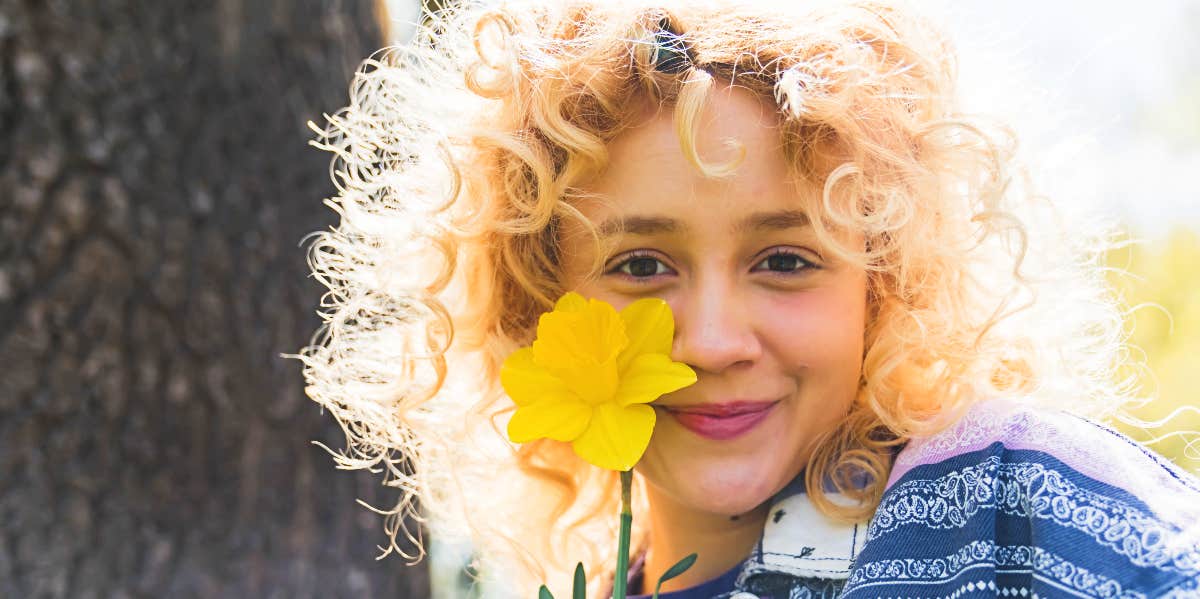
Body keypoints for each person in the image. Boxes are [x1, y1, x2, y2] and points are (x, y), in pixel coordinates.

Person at [297, 0, 1200, 597]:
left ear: (881, 285)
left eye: (786, 259)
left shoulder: (1019, 510)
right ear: (535, 301)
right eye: (642, 266)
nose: (715, 339)